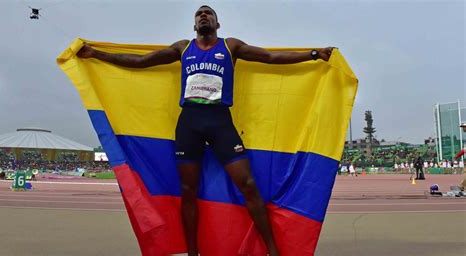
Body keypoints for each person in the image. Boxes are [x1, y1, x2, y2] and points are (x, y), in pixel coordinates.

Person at [76, 5, 334, 256]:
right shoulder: (183, 48)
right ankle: (192, 252)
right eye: (199, 14)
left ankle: (272, 250)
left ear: (217, 23)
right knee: (188, 190)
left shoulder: (230, 46)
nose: (203, 15)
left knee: (248, 184)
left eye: (208, 13)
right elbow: (141, 61)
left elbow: (269, 57)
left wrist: (313, 54)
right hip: (189, 122)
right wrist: (97, 54)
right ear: (194, 24)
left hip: (220, 121)